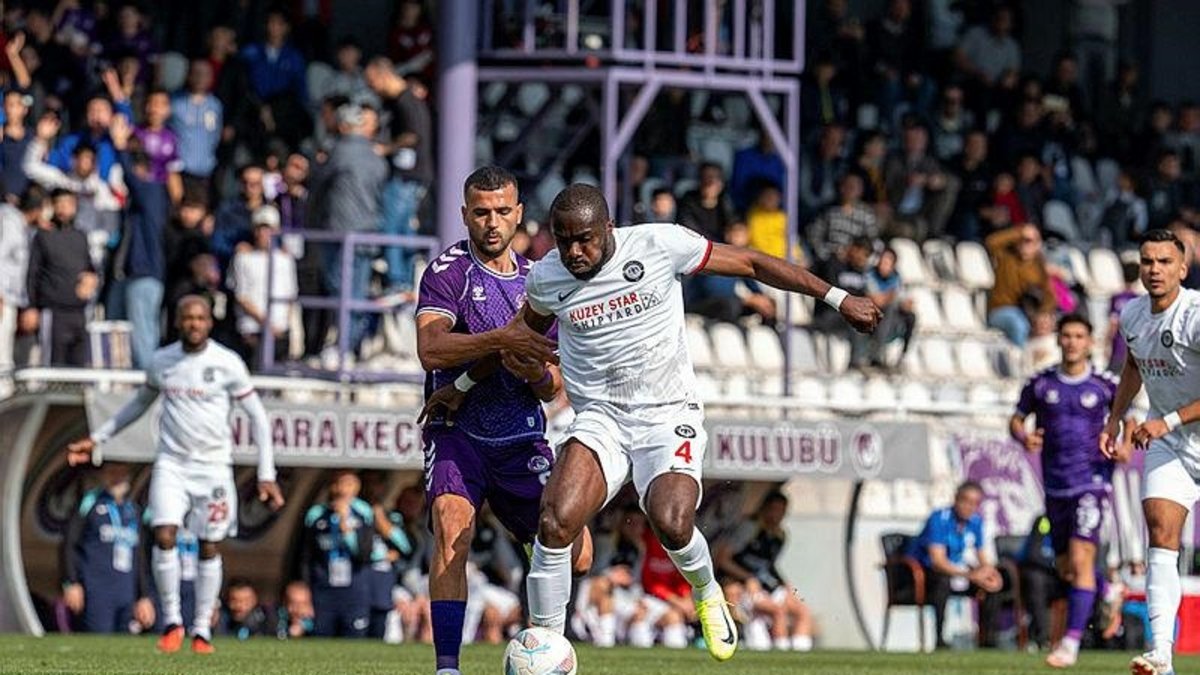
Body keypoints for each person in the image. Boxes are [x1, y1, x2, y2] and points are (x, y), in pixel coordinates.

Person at [421, 184, 880, 662]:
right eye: (563, 240)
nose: (574, 252)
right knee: (555, 522)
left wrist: (837, 297)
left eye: (584, 239)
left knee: (672, 521)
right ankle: (546, 649)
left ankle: (706, 589)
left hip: (667, 416)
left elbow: (751, 263)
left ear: (608, 228)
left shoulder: (661, 245)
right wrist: (461, 388)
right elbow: (517, 342)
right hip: (601, 419)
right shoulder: (548, 279)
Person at [414, 166, 591, 675]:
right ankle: (448, 667)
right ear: (465, 214)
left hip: (521, 435)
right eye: (481, 212)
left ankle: (543, 647)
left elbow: (552, 385)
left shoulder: (543, 280)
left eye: (501, 211)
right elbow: (431, 349)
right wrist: (502, 340)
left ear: (518, 214)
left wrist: (534, 369)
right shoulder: (447, 272)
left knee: (576, 554)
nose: (492, 222)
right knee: (452, 530)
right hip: (457, 431)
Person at [64, 295, 284, 654]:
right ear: (178, 321)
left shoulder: (227, 363)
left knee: (208, 544)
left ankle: (201, 630)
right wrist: (97, 437)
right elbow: (138, 404)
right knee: (164, 532)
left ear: (209, 323)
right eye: (188, 318)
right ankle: (172, 622)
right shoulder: (162, 362)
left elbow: (258, 418)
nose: (195, 323)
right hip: (172, 463)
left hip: (213, 468)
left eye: (201, 318)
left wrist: (265, 473)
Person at [1100, 229, 1200, 675]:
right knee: (1160, 534)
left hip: (1172, 426)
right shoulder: (1133, 315)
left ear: (1183, 268)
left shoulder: (1196, 314)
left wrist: (1168, 420)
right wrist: (1115, 418)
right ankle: (1161, 653)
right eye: (1147, 261)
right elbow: (1133, 368)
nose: (1154, 270)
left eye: (1164, 262)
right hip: (1171, 443)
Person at [1009, 314, 1125, 667]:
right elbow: (1016, 418)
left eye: (1079, 336)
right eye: (1067, 335)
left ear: (1090, 343)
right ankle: (1108, 590)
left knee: (1080, 559)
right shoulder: (1041, 383)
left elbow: (1128, 414)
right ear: (1058, 340)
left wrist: (1126, 444)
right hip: (1056, 486)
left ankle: (1070, 644)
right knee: (1066, 568)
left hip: (1092, 481)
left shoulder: (1105, 384)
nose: (1073, 341)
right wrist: (1023, 435)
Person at [906, 481, 1006, 649]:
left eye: (975, 503)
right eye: (966, 501)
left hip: (956, 572)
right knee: (942, 581)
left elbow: (982, 555)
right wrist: (970, 575)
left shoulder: (975, 522)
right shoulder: (939, 518)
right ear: (956, 499)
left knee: (991, 587)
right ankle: (940, 639)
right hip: (923, 574)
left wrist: (991, 575)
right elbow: (938, 561)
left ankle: (988, 640)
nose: (969, 507)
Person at [61, 462, 155, 633]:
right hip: (96, 590)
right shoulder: (90, 503)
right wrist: (71, 582)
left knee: (123, 651)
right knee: (98, 645)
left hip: (126, 592)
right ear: (103, 476)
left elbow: (140, 557)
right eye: (112, 473)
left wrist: (144, 596)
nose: (116, 478)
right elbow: (69, 544)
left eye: (122, 473)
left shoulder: (133, 510)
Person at [715, 491, 814, 652]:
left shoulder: (780, 535)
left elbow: (769, 565)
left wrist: (785, 584)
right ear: (765, 508)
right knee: (778, 611)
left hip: (764, 585)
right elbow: (722, 560)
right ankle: (782, 654)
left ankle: (800, 657)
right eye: (774, 509)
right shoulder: (749, 528)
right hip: (740, 586)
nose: (778, 515)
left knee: (802, 611)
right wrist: (747, 578)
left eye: (782, 510)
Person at [25, 188, 96, 366]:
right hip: (54, 311)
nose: (64, 208)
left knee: (78, 369)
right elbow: (32, 272)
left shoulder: (81, 236)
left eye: (69, 203)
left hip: (79, 312)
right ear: (52, 206)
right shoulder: (43, 236)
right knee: (53, 366)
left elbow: (91, 268)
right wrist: (32, 306)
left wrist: (92, 279)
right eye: (60, 203)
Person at [301, 469, 375, 638]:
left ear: (357, 487)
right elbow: (305, 556)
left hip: (354, 588)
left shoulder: (364, 513)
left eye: (348, 484)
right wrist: (305, 587)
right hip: (323, 588)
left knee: (354, 640)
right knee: (322, 637)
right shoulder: (316, 514)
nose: (342, 489)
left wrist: (345, 525)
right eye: (338, 483)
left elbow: (363, 554)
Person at [227, 205, 297, 369]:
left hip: (279, 333)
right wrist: (267, 324)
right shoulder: (243, 258)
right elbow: (241, 296)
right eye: (260, 228)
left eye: (268, 229)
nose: (263, 234)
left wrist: (282, 327)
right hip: (252, 332)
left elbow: (291, 296)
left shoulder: (286, 260)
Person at [985, 223, 1056, 347]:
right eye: (1022, 241)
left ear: (1038, 244)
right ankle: (1021, 361)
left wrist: (1044, 314)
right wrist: (1020, 232)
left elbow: (1048, 294)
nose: (1025, 244)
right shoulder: (1006, 257)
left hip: (1028, 312)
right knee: (1018, 324)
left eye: (1030, 241)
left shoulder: (1038, 265)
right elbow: (991, 242)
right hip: (1001, 309)